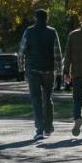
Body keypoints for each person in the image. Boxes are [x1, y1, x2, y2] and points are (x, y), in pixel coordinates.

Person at [18, 8, 63, 140]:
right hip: (49, 70)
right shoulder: (52, 32)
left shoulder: (29, 31)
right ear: (47, 18)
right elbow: (58, 54)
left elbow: (21, 52)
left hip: (33, 70)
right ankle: (48, 127)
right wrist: (59, 73)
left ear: (35, 18)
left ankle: (39, 129)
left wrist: (20, 69)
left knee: (36, 99)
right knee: (47, 99)